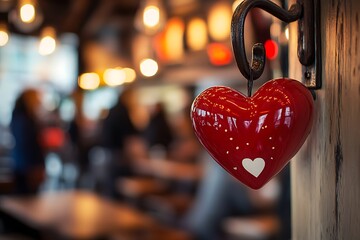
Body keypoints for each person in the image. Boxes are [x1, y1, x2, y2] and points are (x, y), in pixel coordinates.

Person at [10, 88, 45, 195]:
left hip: (21, 163)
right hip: (28, 166)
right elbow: (27, 145)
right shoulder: (23, 119)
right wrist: (36, 167)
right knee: (28, 200)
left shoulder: (18, 117)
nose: (39, 101)